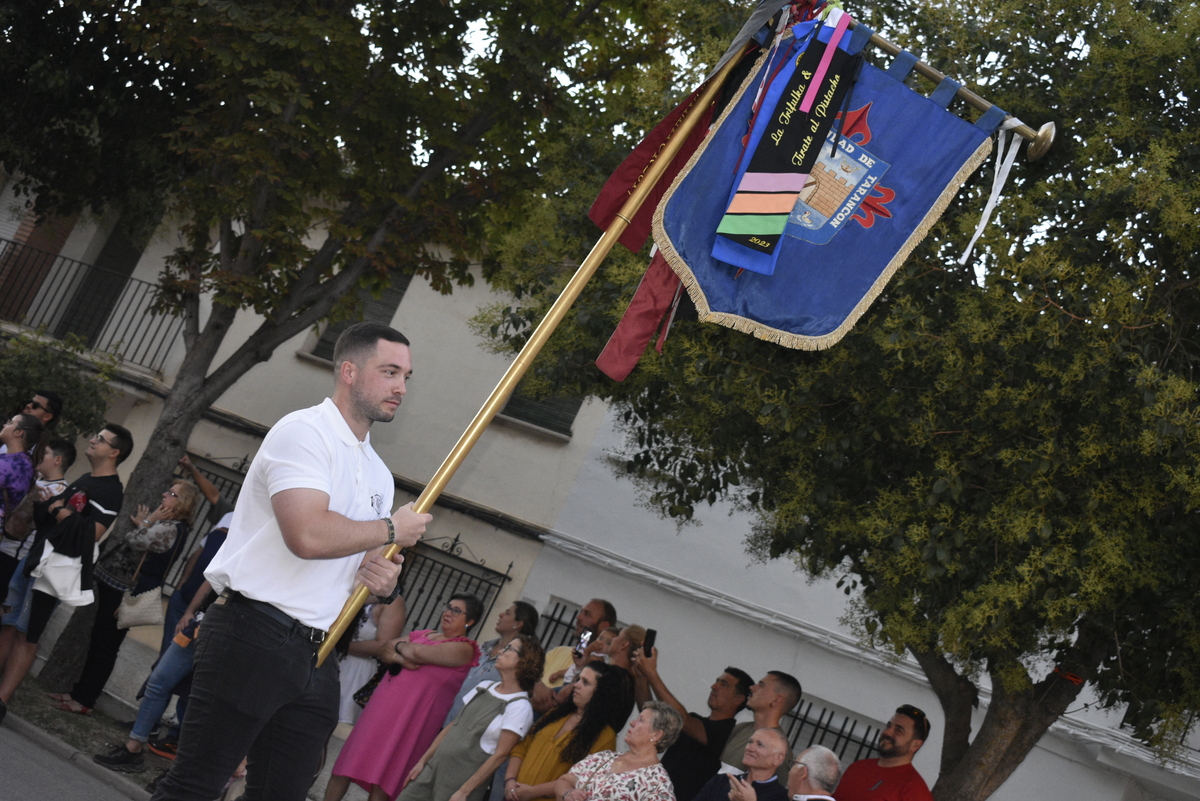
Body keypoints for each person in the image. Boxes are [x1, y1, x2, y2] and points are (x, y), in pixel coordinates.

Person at [149, 322, 428, 801]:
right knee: (195, 785)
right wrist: (389, 530)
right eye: (389, 372)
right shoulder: (303, 432)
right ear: (348, 371)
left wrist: (380, 575)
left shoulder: (378, 472)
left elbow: (355, 558)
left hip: (317, 652)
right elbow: (306, 534)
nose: (401, 387)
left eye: (406, 376)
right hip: (252, 632)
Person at [0, 425, 130, 725]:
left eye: (100, 439)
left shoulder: (111, 491)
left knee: (27, 635)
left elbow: (91, 534)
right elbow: (50, 514)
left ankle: (2, 700)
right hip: (34, 557)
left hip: (55, 569)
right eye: (95, 435)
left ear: (114, 452)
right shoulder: (85, 479)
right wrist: (51, 506)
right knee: (7, 623)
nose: (93, 440)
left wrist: (58, 508)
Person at [50, 478, 198, 715]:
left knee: (105, 646)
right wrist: (148, 524)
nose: (163, 495)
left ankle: (85, 699)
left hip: (127, 592)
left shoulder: (170, 528)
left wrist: (148, 522)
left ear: (182, 503)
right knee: (100, 640)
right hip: (121, 588)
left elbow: (134, 540)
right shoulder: (170, 527)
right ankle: (79, 693)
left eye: (171, 493)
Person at [326, 593, 484, 801]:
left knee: (385, 779)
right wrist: (400, 654)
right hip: (381, 710)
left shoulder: (464, 649)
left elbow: (416, 653)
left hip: (413, 720)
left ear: (470, 621)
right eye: (448, 607)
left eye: (456, 611)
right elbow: (384, 648)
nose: (448, 613)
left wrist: (398, 649)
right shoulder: (425, 633)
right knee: (347, 765)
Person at [399, 633, 545, 801]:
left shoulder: (519, 707)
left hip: (458, 785)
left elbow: (500, 756)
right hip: (432, 771)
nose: (502, 651)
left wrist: (464, 792)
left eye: (509, 649)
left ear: (524, 661)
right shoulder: (485, 686)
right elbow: (453, 725)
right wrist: (423, 762)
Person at [634, 647, 752, 801]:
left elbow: (682, 719)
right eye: (717, 681)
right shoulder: (694, 720)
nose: (714, 686)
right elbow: (650, 716)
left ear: (739, 699)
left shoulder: (729, 734)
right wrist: (641, 678)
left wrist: (652, 673)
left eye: (724, 684)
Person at [504, 661, 628, 801]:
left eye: (585, 682)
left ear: (601, 693)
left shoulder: (605, 737)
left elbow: (583, 779)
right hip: (513, 795)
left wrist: (532, 792)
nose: (576, 685)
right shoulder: (557, 713)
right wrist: (510, 780)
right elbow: (522, 746)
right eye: (578, 679)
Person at [553, 700, 682, 801]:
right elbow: (565, 780)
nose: (632, 723)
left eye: (641, 720)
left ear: (656, 735)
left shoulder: (657, 783)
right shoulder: (605, 757)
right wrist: (568, 793)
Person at [445, 601, 541, 726]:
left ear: (518, 623)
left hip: (468, 728)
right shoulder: (483, 648)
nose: (500, 615)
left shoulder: (516, 662)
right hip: (444, 716)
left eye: (507, 613)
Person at [0, 437, 72, 598]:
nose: (38, 456)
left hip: (14, 554)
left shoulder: (59, 492)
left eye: (45, 453)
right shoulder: (35, 478)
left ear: (57, 460)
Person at [833, 705, 933, 801]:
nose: (887, 732)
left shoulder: (914, 789)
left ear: (915, 745)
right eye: (888, 726)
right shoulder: (857, 767)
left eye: (898, 730)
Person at [338, 598, 407, 726]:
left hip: (357, 670)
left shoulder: (391, 603)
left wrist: (339, 645)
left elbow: (384, 645)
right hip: (333, 660)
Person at [720, 671, 802, 779]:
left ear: (776, 700)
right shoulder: (741, 728)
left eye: (761, 685)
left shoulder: (779, 749)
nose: (752, 688)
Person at [0, 414, 47, 593]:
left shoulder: (15, 464)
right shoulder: (22, 462)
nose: (5, 424)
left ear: (19, 432)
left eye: (10, 422)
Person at [696, 728, 789, 801]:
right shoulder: (721, 781)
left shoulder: (782, 797)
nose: (750, 748)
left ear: (777, 759)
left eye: (760, 745)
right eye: (750, 742)